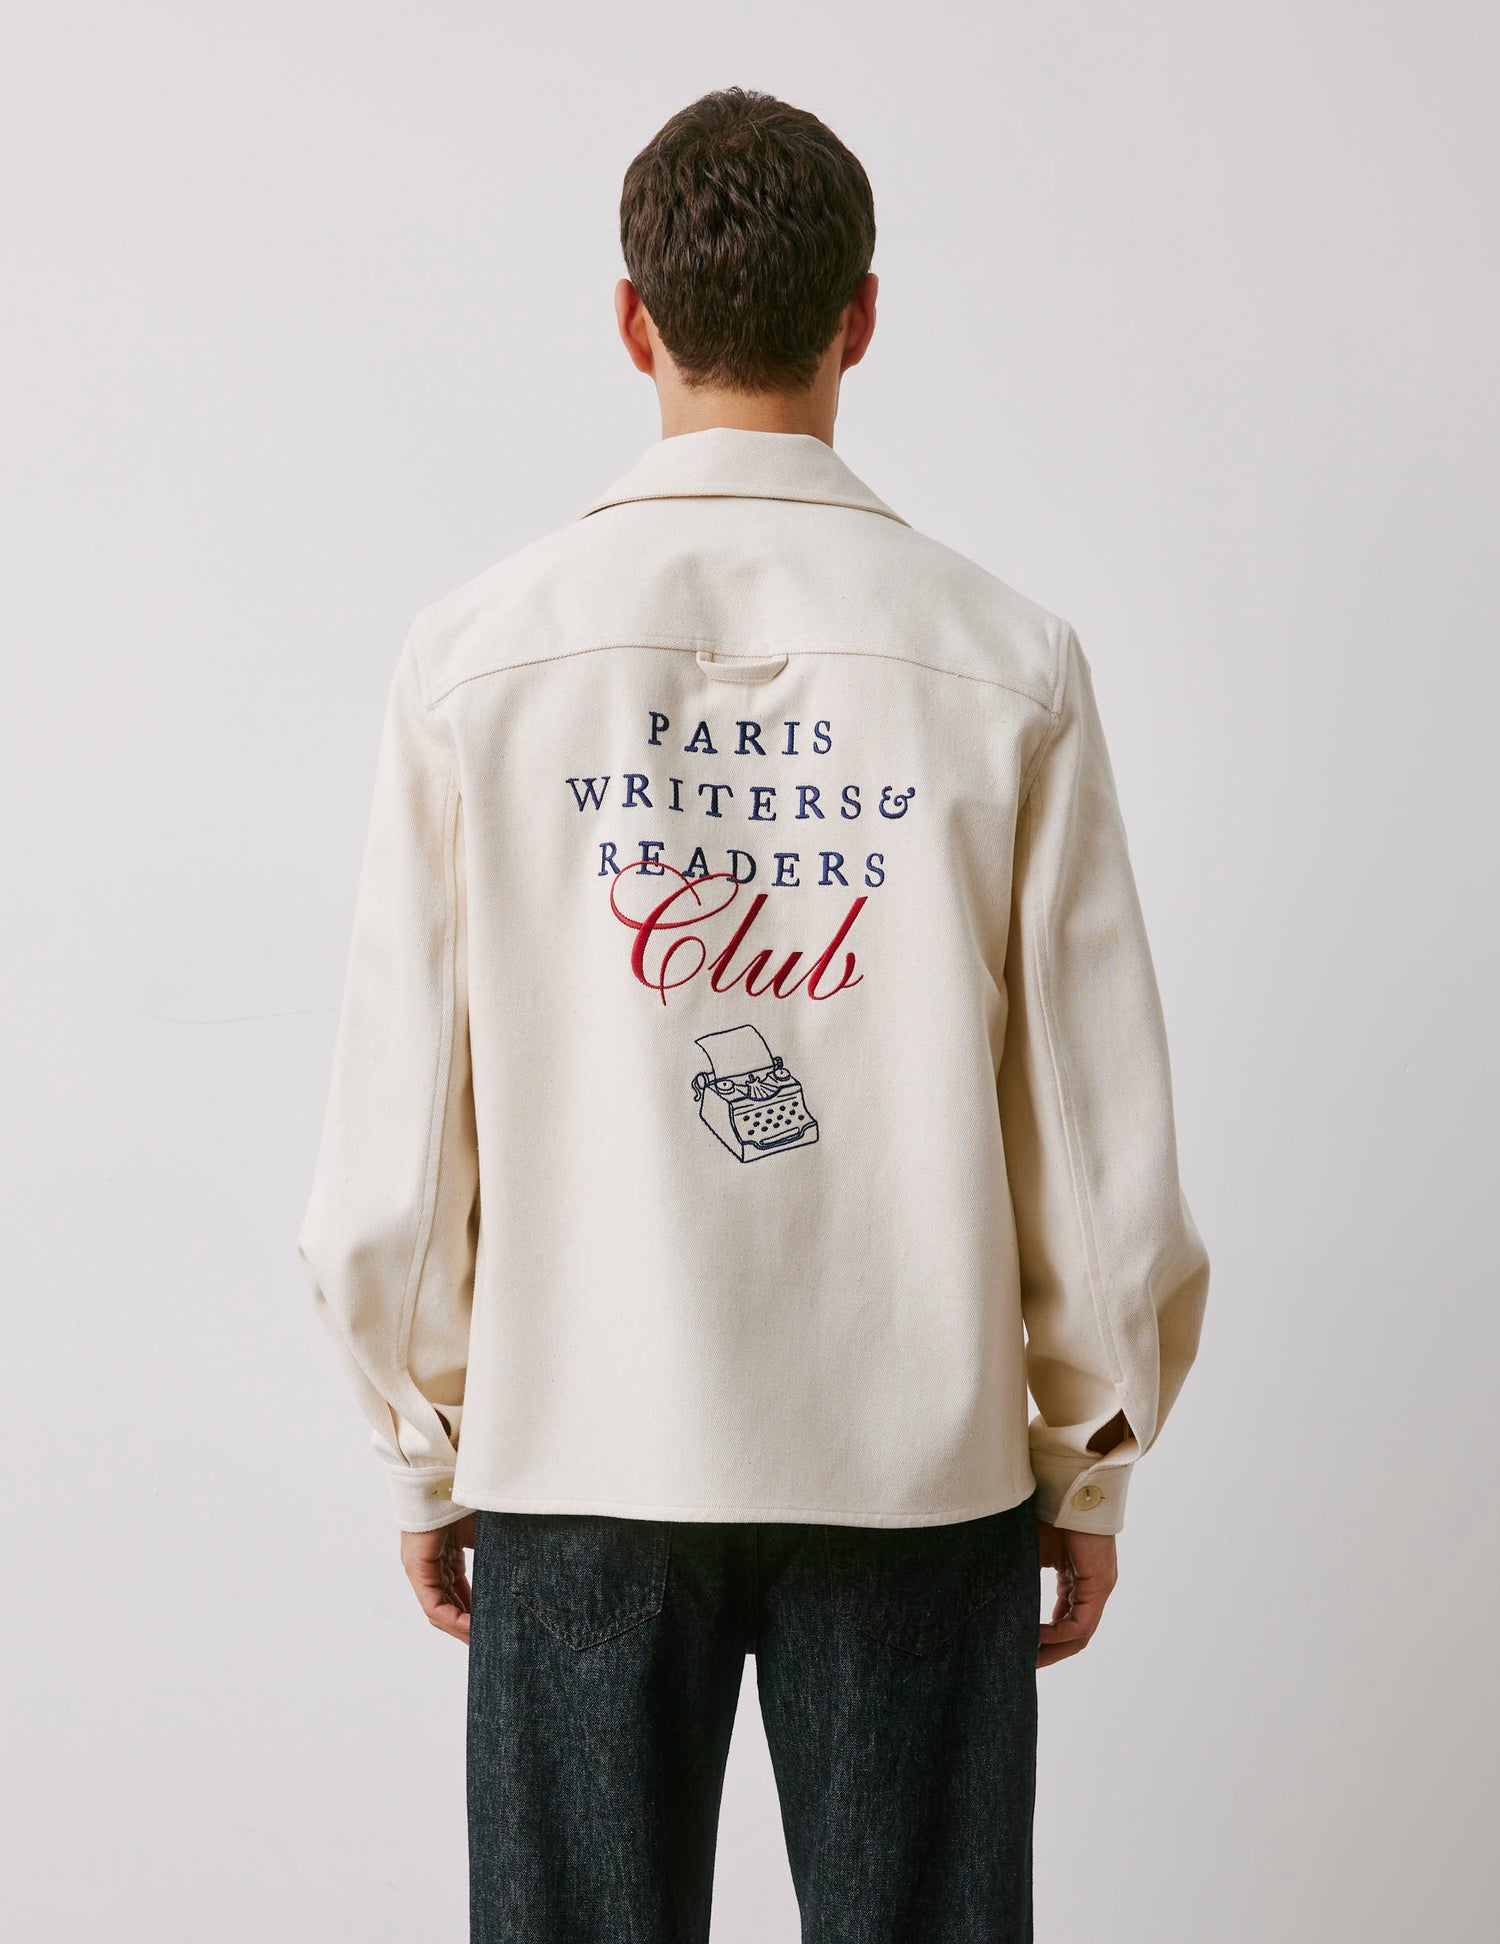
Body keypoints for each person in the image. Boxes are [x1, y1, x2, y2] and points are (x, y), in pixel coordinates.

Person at [297, 85, 1209, 1944]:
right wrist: (1090, 1454)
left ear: (633, 322)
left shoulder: (475, 660)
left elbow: (399, 1126)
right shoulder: (1006, 662)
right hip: (915, 1458)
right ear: (860, 317)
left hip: (578, 1448)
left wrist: (422, 1436)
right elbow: (1092, 1134)